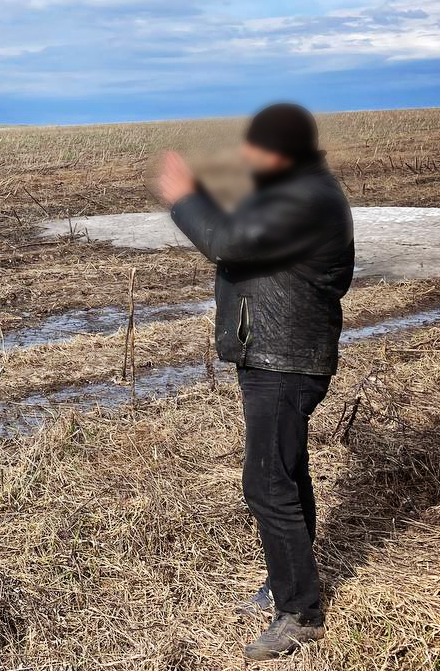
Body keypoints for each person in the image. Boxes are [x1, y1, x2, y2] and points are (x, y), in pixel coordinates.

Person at [148, 103, 354, 662]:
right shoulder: (296, 189)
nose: (247, 155)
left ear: (281, 150)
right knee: (286, 471)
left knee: (266, 482)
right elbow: (239, 234)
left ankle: (300, 613)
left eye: (256, 146)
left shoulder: (306, 198)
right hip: (274, 352)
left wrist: (185, 197)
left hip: (285, 360)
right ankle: (286, 583)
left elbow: (227, 243)